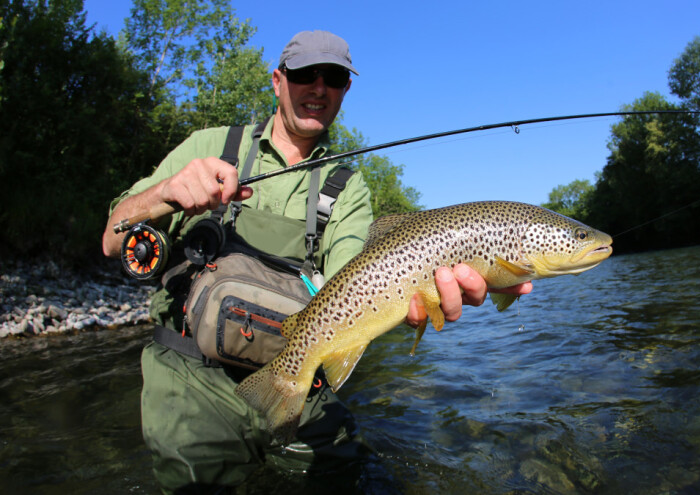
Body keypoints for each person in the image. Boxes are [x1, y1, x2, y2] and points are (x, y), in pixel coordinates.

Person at [102, 30, 531, 493]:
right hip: (192, 372)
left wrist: (416, 295)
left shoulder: (346, 186)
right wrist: (166, 193)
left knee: (339, 474)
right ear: (277, 81)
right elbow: (112, 240)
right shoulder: (209, 146)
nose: (319, 88)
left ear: (346, 89)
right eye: (306, 74)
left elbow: (358, 275)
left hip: (295, 365)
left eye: (335, 78)